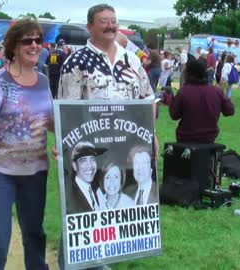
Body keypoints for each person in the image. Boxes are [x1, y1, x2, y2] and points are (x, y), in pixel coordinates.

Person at [57, 4, 156, 269]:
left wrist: (151, 135)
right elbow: (67, 111)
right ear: (90, 26)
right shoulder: (76, 62)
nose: (111, 26)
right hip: (91, 154)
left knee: (112, 211)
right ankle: (72, 264)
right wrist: (66, 148)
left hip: (125, 151)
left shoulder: (131, 60)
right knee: (81, 212)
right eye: (104, 21)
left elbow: (147, 99)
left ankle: (100, 261)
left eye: (114, 21)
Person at [0, 19, 54, 270]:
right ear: (14, 46)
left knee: (34, 233)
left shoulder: (44, 81)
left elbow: (49, 121)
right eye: (28, 40)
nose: (35, 45)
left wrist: (63, 141)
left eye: (38, 40)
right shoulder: (0, 81)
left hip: (35, 172)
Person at [169, 59, 235, 143]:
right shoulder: (216, 91)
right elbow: (230, 110)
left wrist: (171, 100)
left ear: (189, 74)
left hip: (185, 138)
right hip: (209, 138)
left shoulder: (184, 92)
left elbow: (174, 115)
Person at [67, 141, 106, 213]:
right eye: (83, 160)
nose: (90, 165)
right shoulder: (69, 195)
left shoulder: (95, 190)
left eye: (92, 159)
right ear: (75, 166)